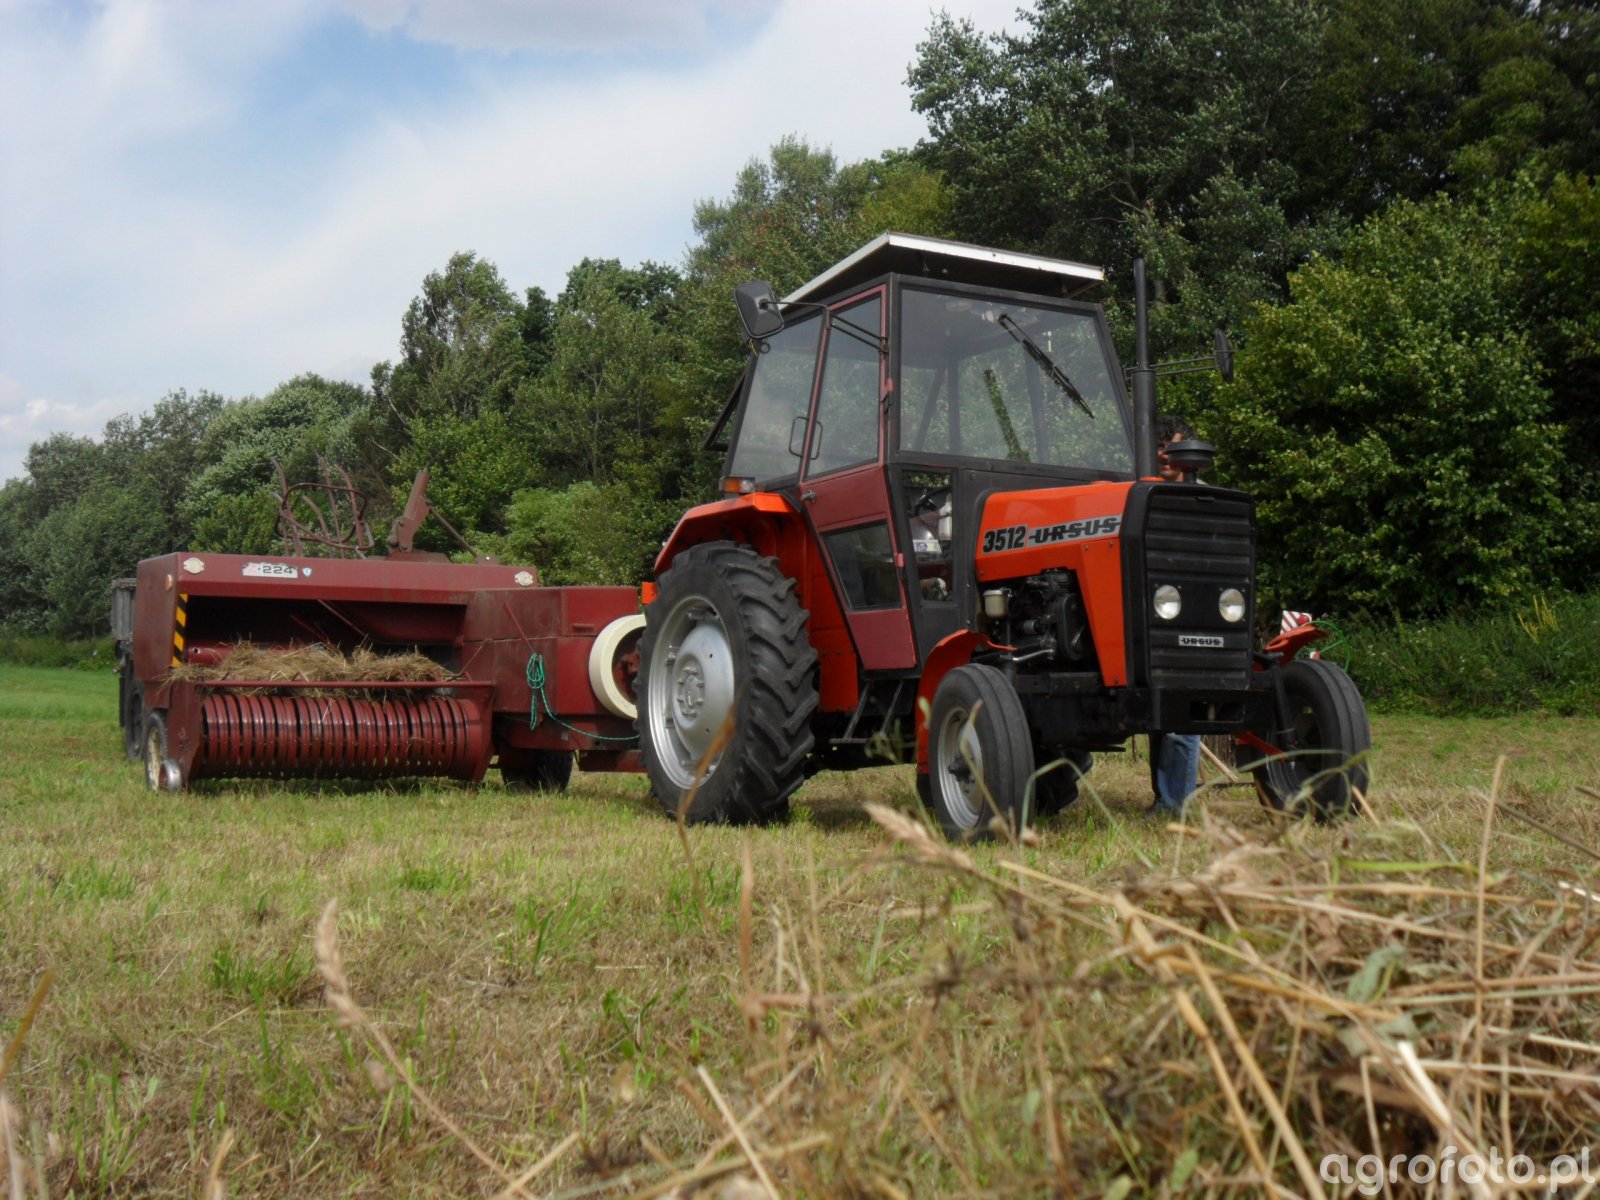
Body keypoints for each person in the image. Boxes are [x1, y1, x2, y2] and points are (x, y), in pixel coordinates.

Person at [1149, 413, 1203, 815]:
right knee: (1159, 717)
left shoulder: (1207, 502)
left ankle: (1174, 808)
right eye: (1159, 449)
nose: (1164, 456)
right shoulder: (1137, 498)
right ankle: (1165, 797)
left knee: (1182, 717)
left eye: (1173, 449)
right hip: (1149, 615)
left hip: (1195, 614)